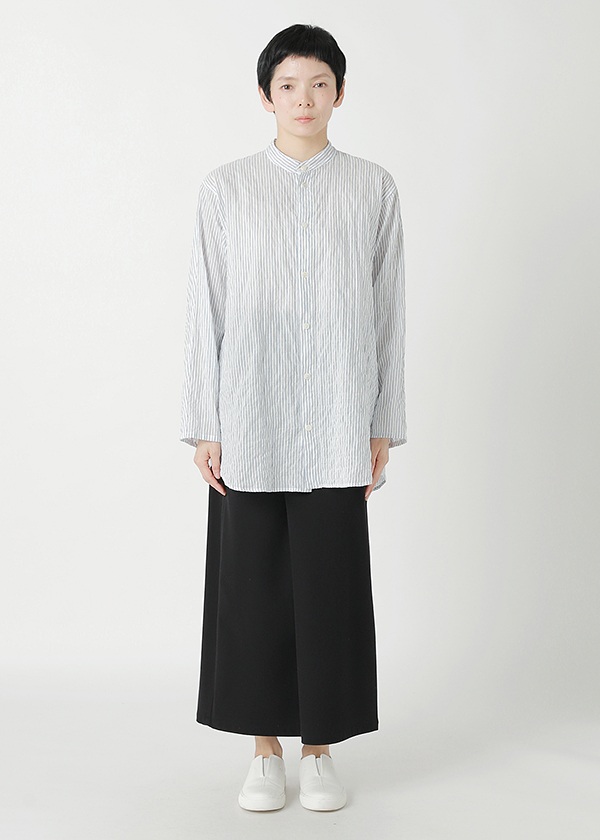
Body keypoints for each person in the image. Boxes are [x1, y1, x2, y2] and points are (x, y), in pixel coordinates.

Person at [180, 23, 406, 812]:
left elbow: (388, 312)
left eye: (318, 84)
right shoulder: (226, 189)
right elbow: (204, 309)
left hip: (338, 415)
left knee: (330, 587)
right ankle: (264, 750)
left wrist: (382, 420)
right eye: (288, 86)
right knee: (252, 591)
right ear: (264, 95)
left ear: (339, 93)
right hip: (250, 414)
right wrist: (206, 423)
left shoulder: (373, 188)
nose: (303, 99)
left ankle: (319, 751)